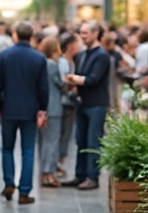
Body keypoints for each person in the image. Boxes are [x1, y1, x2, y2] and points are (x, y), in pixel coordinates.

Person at [0, 21, 48, 205]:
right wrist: (42, 108)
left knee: (7, 148)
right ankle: (24, 191)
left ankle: (9, 182)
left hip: (8, 108)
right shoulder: (39, 58)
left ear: (15, 35)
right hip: (30, 110)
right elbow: (43, 88)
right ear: (31, 36)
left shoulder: (3, 56)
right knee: (28, 150)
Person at [63, 22, 110, 190]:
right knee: (81, 140)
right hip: (82, 102)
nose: (82, 36)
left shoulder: (101, 55)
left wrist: (74, 79)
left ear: (96, 33)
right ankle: (80, 174)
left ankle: (92, 177)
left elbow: (93, 79)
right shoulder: (82, 54)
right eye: (81, 33)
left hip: (97, 103)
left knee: (93, 141)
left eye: (86, 33)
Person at [38, 36, 68, 189]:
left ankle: (44, 173)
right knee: (52, 141)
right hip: (54, 106)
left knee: (44, 142)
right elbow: (60, 84)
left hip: (43, 107)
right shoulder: (53, 64)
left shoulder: (41, 63)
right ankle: (49, 173)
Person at [57, 33, 81, 176]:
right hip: (64, 102)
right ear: (70, 46)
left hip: (68, 103)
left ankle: (59, 162)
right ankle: (57, 163)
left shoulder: (70, 62)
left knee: (66, 134)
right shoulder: (63, 63)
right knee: (63, 133)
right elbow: (63, 82)